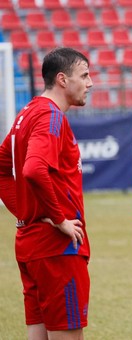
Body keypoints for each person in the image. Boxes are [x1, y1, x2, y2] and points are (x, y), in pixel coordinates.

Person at [0, 48, 93, 339]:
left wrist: (28, 213)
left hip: (30, 242)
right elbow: (34, 170)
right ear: (63, 80)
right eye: (85, 75)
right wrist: (58, 218)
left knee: (38, 333)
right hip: (56, 248)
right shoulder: (50, 116)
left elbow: (2, 169)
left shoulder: (26, 113)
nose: (90, 83)